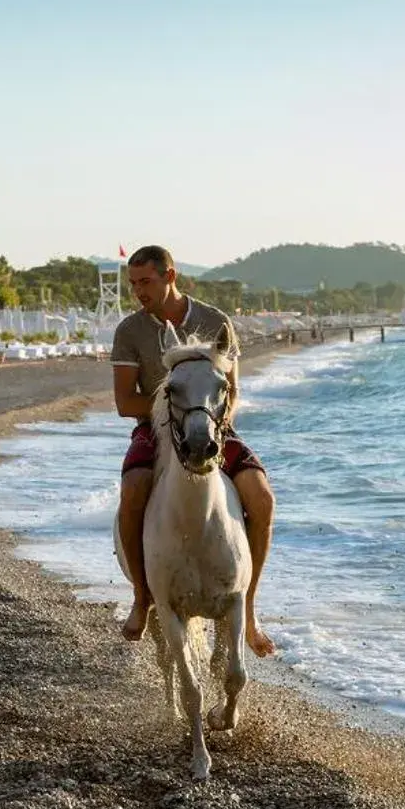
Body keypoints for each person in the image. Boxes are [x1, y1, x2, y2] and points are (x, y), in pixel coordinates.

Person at [111, 245, 276, 656]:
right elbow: (124, 402)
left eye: (145, 282)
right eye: (133, 284)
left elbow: (232, 389)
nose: (138, 292)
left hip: (214, 426)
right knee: (133, 489)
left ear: (170, 276)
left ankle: (249, 608)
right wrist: (169, 410)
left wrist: (215, 422)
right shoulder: (130, 331)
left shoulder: (215, 321)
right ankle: (141, 597)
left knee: (262, 497)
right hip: (155, 427)